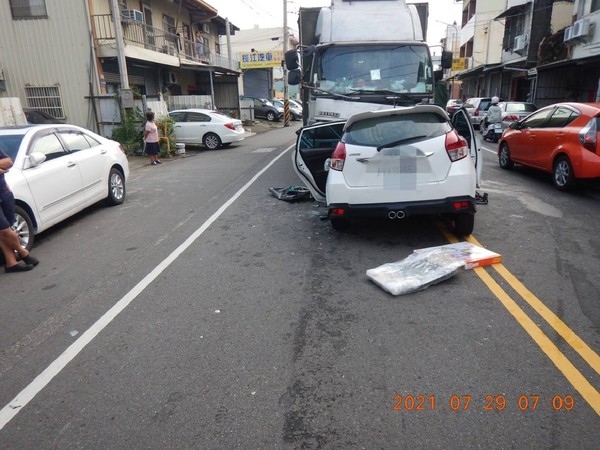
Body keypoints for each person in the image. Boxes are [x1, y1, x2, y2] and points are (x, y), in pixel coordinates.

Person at [0, 148, 39, 272]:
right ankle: (24, 253)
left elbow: (8, 162)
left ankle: (11, 263)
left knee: (5, 230)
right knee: (4, 230)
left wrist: (3, 168)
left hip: (4, 192)